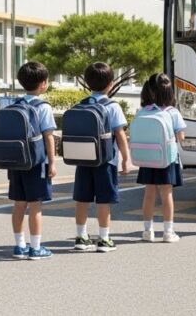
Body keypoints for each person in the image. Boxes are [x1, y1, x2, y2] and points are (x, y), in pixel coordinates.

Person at [73, 62, 132, 253]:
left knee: (82, 199)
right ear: (111, 84)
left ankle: (81, 237)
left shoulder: (80, 105)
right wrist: (125, 157)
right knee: (103, 200)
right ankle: (104, 239)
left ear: (87, 83)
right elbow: (120, 134)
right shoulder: (112, 106)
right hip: (106, 161)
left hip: (83, 160)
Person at [8, 61, 57, 260]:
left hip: (16, 162)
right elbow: (49, 137)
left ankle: (19, 245)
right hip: (37, 163)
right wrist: (52, 163)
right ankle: (36, 248)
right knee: (35, 205)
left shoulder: (14, 106)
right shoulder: (43, 107)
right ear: (43, 84)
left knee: (19, 204)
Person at [136, 73, 186, 243]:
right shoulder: (173, 112)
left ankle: (147, 231)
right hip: (166, 159)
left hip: (147, 159)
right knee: (167, 194)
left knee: (148, 194)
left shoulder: (143, 111)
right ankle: (168, 232)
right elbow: (181, 136)